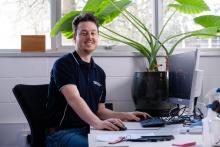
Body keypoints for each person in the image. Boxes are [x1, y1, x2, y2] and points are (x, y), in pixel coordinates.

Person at [46, 13, 149, 147]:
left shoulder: (99, 72)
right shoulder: (63, 64)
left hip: (90, 130)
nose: (90, 37)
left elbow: (100, 111)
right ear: (74, 37)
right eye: (84, 33)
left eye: (93, 33)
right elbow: (73, 98)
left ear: (98, 37)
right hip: (62, 133)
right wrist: (97, 123)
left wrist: (127, 115)